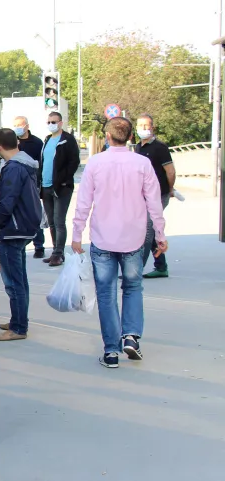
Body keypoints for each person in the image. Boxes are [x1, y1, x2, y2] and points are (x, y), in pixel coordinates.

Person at [71, 117, 167, 369]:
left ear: (107, 136)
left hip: (103, 237)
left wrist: (77, 234)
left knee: (106, 294)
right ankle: (132, 338)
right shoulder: (142, 163)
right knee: (133, 287)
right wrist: (160, 234)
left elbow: (84, 202)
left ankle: (111, 351)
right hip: (134, 237)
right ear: (131, 136)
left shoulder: (95, 163)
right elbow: (154, 202)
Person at [0, 129, 42, 341]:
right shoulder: (26, 164)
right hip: (23, 228)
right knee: (20, 278)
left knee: (13, 281)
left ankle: (19, 328)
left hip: (11, 230)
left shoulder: (12, 168)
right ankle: (18, 320)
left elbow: (7, 201)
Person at [135, 114, 175, 279]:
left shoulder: (160, 147)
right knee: (150, 231)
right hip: (143, 195)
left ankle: (135, 270)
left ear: (153, 127)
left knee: (147, 231)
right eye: (140, 125)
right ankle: (161, 266)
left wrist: (170, 189)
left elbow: (170, 171)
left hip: (158, 195)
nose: (143, 129)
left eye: (147, 125)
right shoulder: (138, 147)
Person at [40, 112, 80, 267]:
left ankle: (58, 253)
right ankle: (56, 251)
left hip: (61, 187)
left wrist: (63, 180)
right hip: (46, 186)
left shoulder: (67, 140)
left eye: (54, 121)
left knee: (59, 221)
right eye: (49, 121)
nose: (51, 124)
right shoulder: (48, 140)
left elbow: (74, 162)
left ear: (61, 123)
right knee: (51, 222)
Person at [13, 116, 46, 259]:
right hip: (14, 183)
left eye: (20, 125)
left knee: (34, 213)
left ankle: (39, 245)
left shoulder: (37, 143)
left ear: (27, 126)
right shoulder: (12, 141)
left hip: (32, 183)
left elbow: (41, 163)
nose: (17, 127)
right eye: (15, 125)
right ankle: (21, 242)